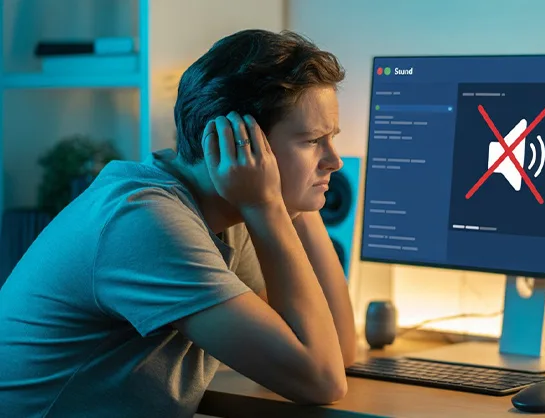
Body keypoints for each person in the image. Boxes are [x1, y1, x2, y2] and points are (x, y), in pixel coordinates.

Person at [0, 29, 356, 417]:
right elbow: (321, 380)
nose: (334, 160)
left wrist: (294, 203)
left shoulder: (229, 210)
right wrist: (269, 205)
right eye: (312, 140)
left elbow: (337, 350)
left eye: (331, 137)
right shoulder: (145, 221)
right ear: (237, 143)